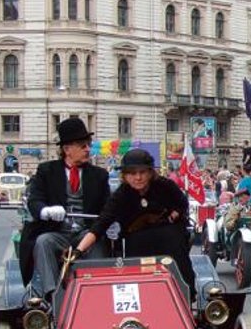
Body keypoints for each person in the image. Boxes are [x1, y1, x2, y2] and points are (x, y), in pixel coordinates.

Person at [74, 149, 193, 293]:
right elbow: (100, 225)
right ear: (124, 176)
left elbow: (182, 203)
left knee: (174, 241)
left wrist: (175, 213)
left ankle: (184, 293)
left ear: (150, 173)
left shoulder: (166, 186)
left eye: (142, 172)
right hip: (137, 242)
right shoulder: (120, 196)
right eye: (132, 173)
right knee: (136, 245)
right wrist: (78, 251)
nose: (138, 177)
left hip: (169, 238)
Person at [19, 117, 110, 297]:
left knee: (99, 242)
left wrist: (112, 223)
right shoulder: (46, 170)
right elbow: (35, 199)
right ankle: (53, 295)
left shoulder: (99, 175)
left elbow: (107, 206)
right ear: (67, 149)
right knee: (43, 241)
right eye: (82, 145)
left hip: (86, 233)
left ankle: (96, 292)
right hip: (57, 232)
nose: (88, 149)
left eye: (88, 145)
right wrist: (45, 211)